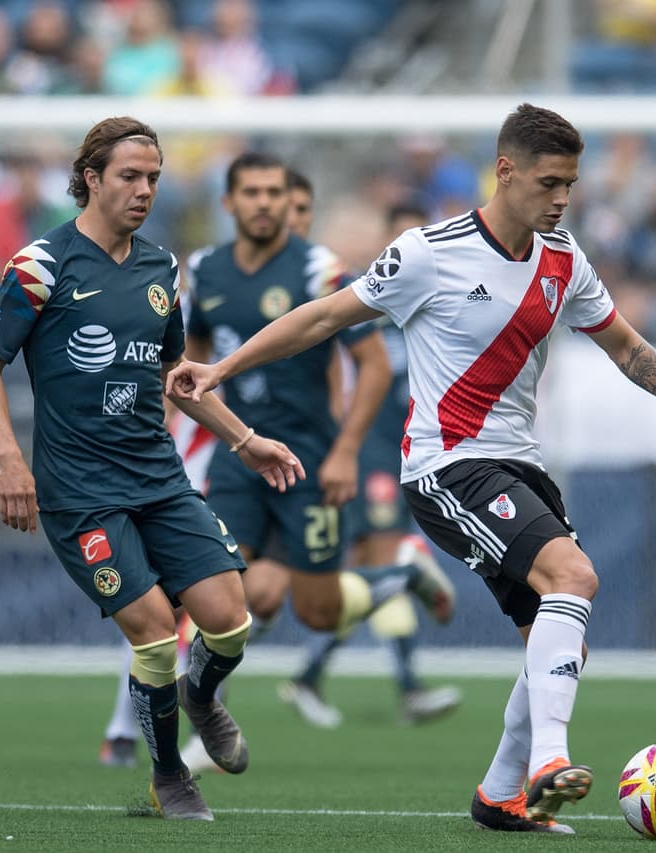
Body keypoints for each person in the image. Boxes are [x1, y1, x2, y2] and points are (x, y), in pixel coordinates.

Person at [165, 103, 656, 834]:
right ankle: (549, 762)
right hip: (448, 466)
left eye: (570, 185)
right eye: (549, 182)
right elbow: (322, 318)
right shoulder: (428, 252)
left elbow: (626, 346)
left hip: (520, 467)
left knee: (559, 641)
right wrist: (220, 369)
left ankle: (499, 796)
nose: (562, 198)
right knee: (573, 577)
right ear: (505, 171)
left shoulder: (564, 259)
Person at [0, 116, 305, 821]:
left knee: (229, 620)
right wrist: (9, 458)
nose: (145, 189)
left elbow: (177, 374)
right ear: (91, 179)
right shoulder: (41, 264)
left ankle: (199, 695)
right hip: (80, 493)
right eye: (130, 176)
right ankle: (168, 773)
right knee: (153, 629)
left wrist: (246, 440)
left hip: (158, 476)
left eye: (153, 177)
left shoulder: (161, 269)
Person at [182, 153, 458, 731]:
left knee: (316, 610)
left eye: (273, 193)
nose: (264, 203)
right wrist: (187, 434)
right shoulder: (204, 269)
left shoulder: (320, 270)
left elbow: (371, 365)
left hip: (306, 461)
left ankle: (401, 576)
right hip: (238, 457)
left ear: (290, 202)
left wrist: (344, 451)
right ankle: (205, 725)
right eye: (251, 192)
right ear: (229, 202)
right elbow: (191, 363)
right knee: (230, 595)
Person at [281, 196, 463, 728]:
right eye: (404, 236)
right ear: (389, 241)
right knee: (386, 557)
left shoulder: (440, 298)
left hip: (413, 451)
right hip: (371, 452)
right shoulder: (368, 299)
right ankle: (407, 688)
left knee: (369, 570)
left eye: (422, 235)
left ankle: (310, 676)